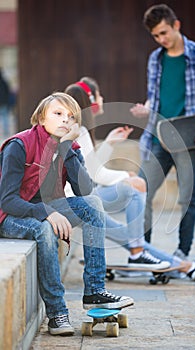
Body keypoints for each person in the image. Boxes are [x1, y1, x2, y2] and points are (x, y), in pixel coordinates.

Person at [0, 92, 134, 336]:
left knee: (92, 204)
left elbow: (85, 190)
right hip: (9, 217)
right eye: (58, 114)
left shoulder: (70, 148)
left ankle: (94, 291)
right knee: (44, 229)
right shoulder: (19, 146)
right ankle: (57, 313)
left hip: (47, 210)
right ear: (41, 118)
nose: (65, 120)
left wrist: (66, 148)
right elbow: (7, 201)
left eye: (71, 117)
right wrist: (46, 212)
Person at [64, 78, 195, 281]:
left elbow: (89, 167)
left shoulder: (80, 131)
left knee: (130, 237)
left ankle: (186, 267)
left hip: (81, 201)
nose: (102, 99)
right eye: (99, 95)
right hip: (77, 202)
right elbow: (94, 173)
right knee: (135, 188)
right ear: (92, 99)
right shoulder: (80, 131)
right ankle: (142, 256)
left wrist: (110, 142)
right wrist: (125, 176)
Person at [130, 4, 195, 260]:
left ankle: (182, 252)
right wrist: (145, 109)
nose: (161, 39)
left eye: (164, 33)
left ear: (176, 25)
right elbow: (154, 98)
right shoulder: (155, 59)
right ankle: (141, 252)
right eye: (156, 36)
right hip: (157, 138)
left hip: (189, 141)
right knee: (140, 190)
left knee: (187, 199)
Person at [0, 68, 11, 137]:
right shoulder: (4, 82)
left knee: (4, 117)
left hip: (3, 102)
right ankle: (6, 132)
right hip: (4, 102)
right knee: (5, 117)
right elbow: (8, 92)